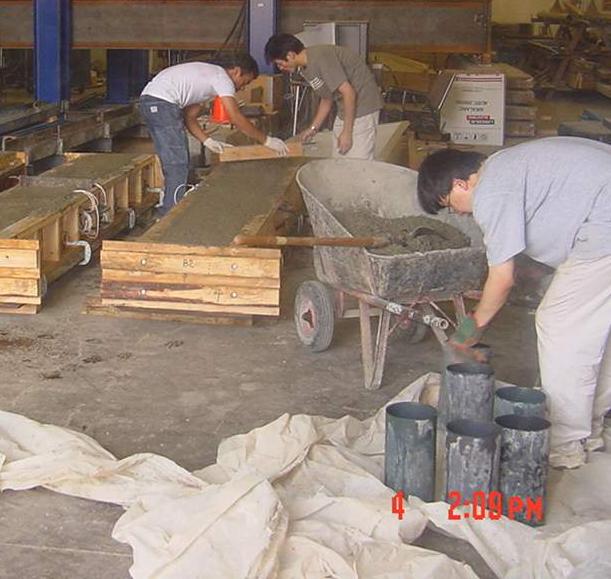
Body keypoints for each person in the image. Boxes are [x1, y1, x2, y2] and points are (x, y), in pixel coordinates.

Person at [417, 137, 611, 469]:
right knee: (592, 331)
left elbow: (502, 279)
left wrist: (469, 331)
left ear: (461, 182)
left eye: (450, 203)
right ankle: (590, 429)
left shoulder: (492, 190)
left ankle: (565, 442)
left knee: (559, 323)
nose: (459, 214)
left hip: (604, 229)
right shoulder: (506, 166)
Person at [139, 54, 289, 214]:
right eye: (245, 81)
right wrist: (267, 140)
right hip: (162, 102)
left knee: (174, 159)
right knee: (177, 162)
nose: (242, 87)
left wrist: (208, 141)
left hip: (151, 100)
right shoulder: (222, 77)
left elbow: (190, 118)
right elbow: (235, 117)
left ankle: (171, 201)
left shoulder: (207, 78)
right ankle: (169, 214)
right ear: (237, 72)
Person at [264, 34, 383, 160]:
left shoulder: (321, 58)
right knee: (339, 157)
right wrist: (313, 128)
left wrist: (347, 132)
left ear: (290, 55)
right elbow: (327, 98)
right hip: (345, 107)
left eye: (280, 63)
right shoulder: (305, 68)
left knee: (358, 161)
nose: (281, 68)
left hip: (363, 106)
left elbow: (349, 92)